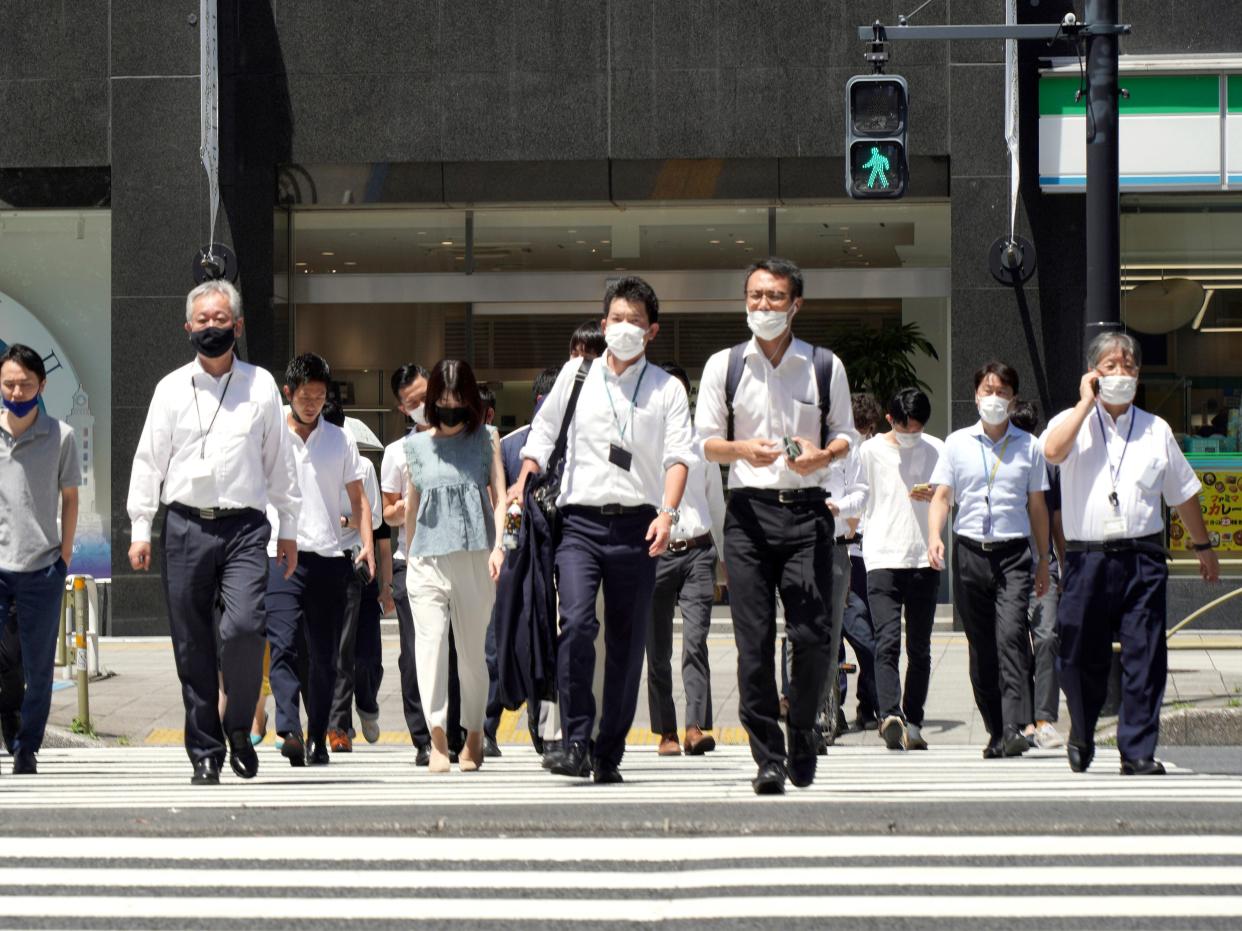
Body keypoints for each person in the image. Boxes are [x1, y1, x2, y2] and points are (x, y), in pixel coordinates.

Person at [514, 276, 694, 784]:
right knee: (575, 623)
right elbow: (543, 435)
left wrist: (668, 513)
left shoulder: (667, 388)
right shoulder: (576, 374)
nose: (625, 328)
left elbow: (680, 456)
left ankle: (608, 751)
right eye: (617, 319)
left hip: (639, 528)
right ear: (603, 323)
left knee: (627, 641)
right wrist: (520, 483)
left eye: (636, 321)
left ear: (652, 330)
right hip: (580, 525)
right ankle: (575, 739)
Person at [128, 279, 300, 785]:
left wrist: (287, 528)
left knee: (245, 628)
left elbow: (279, 464)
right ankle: (204, 750)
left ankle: (239, 726)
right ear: (188, 327)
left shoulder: (261, 384)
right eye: (202, 320)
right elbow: (148, 460)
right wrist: (141, 526)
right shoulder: (170, 389)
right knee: (192, 643)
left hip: (246, 527)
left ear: (238, 325)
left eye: (220, 319)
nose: (211, 327)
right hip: (184, 525)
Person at [695, 257, 857, 795]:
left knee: (813, 635)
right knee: (753, 641)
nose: (763, 306)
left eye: (775, 297)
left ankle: (805, 729)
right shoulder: (726, 364)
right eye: (756, 296)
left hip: (808, 510)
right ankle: (767, 755)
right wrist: (743, 449)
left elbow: (846, 436)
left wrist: (822, 456)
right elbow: (707, 441)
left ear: (796, 305)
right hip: (748, 514)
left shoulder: (824, 365)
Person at [1040, 331, 1218, 775]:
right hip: (1087, 558)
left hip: (1143, 558)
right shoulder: (1072, 421)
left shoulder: (1155, 429)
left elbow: (1183, 494)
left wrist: (1203, 546)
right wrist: (1084, 405)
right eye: (1110, 366)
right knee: (1080, 653)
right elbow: (1051, 451)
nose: (1121, 374)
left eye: (1128, 366)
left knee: (1146, 653)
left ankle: (1137, 750)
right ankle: (1081, 728)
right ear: (1092, 374)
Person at [927, 362, 1051, 760]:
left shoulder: (1029, 447)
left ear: (1013, 398)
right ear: (975, 395)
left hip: (1014, 555)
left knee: (1012, 637)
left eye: (1001, 391)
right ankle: (997, 730)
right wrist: (935, 538)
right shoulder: (956, 443)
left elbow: (1037, 507)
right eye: (986, 389)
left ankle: (1016, 724)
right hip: (969, 553)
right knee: (981, 647)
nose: (993, 398)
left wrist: (1044, 561)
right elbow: (942, 496)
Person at [265, 354, 374, 767]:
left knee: (325, 655)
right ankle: (289, 727)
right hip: (278, 552)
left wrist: (365, 545)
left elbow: (359, 500)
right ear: (288, 393)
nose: (311, 403)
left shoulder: (339, 439)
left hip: (329, 556)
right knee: (283, 643)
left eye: (320, 396)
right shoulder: (270, 431)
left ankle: (317, 738)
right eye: (305, 395)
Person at [403, 359, 507, 773]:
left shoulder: (486, 440)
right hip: (426, 559)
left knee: (470, 655)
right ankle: (439, 738)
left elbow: (500, 498)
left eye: (457, 403)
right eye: (441, 403)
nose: (449, 411)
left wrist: (500, 547)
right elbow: (411, 508)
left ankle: (476, 735)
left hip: (476, 557)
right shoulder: (415, 447)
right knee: (429, 649)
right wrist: (409, 556)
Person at [0, 344, 80, 775]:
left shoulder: (61, 436)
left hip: (41, 569)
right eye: (9, 383)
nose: (16, 391)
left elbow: (71, 499)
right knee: (5, 661)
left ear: (41, 385)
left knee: (38, 665)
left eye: (25, 384)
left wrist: (63, 557)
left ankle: (27, 746)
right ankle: (7, 719)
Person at [381, 363, 462, 766]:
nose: (421, 406)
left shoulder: (462, 439)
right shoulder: (397, 453)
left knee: (455, 649)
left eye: (423, 395)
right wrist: (407, 504)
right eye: (412, 403)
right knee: (417, 652)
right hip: (411, 561)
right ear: (402, 409)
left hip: (456, 557)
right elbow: (388, 513)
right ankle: (423, 736)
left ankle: (456, 730)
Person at [646, 362, 726, 757]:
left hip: (698, 549)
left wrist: (725, 559)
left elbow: (716, 501)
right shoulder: (644, 443)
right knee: (656, 648)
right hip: (656, 554)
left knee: (695, 642)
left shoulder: (702, 445)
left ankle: (696, 726)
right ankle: (666, 732)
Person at [857, 388, 943, 753]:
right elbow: (860, 495)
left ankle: (916, 719)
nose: (912, 435)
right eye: (905, 428)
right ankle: (891, 715)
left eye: (918, 428)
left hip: (925, 558)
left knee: (920, 648)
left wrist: (938, 495)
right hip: (882, 556)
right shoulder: (870, 451)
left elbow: (950, 497)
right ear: (890, 419)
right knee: (887, 641)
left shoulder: (938, 449)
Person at [489, 365, 560, 755]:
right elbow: (510, 502)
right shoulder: (525, 444)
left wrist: (507, 548)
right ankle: (545, 724)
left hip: (531, 559)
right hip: (548, 557)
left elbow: (510, 507)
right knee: (544, 641)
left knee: (532, 640)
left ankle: (540, 725)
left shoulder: (513, 444)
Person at [322, 400, 389, 749]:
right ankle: (337, 724)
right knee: (329, 650)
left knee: (359, 653)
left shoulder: (362, 467)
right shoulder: (308, 463)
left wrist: (344, 521)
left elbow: (375, 520)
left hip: (355, 564)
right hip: (319, 561)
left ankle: (361, 709)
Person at [1009, 400, 1066, 750]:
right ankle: (1023, 719)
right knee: (1014, 644)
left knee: (1046, 638)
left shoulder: (1048, 463)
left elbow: (1056, 516)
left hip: (1045, 565)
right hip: (1009, 568)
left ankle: (1043, 719)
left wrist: (1063, 559)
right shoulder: (996, 465)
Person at [829, 393, 881, 735]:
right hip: (845, 549)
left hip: (863, 552)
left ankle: (863, 705)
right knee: (850, 632)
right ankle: (842, 705)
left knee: (863, 634)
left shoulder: (875, 453)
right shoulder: (841, 448)